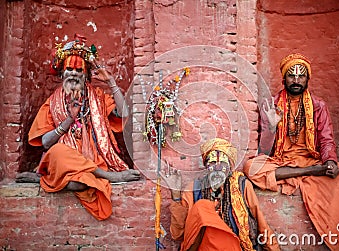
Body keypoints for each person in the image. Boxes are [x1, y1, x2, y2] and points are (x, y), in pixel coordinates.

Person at [243, 53, 339, 251]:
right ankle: (310, 173)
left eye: (301, 76)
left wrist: (330, 162)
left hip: (309, 160)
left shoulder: (318, 106)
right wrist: (271, 128)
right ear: (284, 78)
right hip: (282, 162)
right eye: (291, 75)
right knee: (251, 167)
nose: (296, 80)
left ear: (308, 78)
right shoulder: (272, 105)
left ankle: (309, 171)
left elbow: (326, 140)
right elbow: (263, 151)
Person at [16, 34, 140, 220]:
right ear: (62, 74)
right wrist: (69, 120)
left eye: (78, 70)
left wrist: (111, 83)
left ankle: (45, 181)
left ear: (86, 75)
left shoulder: (97, 96)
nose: (73, 74)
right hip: (64, 161)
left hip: (95, 159)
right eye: (69, 69)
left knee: (81, 183)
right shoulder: (52, 102)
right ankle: (110, 177)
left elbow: (122, 114)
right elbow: (46, 143)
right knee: (59, 151)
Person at [162, 138, 280, 251]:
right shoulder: (194, 189)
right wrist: (176, 194)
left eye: (222, 163)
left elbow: (260, 222)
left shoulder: (241, 185)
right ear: (206, 167)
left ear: (229, 168)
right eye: (212, 162)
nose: (217, 168)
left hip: (234, 247)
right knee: (202, 207)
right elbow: (177, 234)